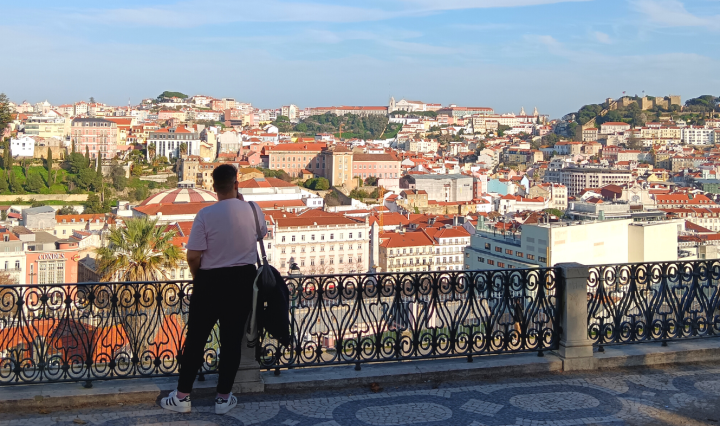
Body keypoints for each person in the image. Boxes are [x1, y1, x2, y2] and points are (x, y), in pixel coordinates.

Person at [160, 164, 267, 415]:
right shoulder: (253, 210)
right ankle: (223, 398)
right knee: (231, 342)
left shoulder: (205, 215)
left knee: (196, 340)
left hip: (210, 281)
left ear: (213, 187)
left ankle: (183, 396)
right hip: (242, 280)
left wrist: (200, 278)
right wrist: (242, 203)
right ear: (236, 183)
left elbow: (193, 256)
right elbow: (260, 234)